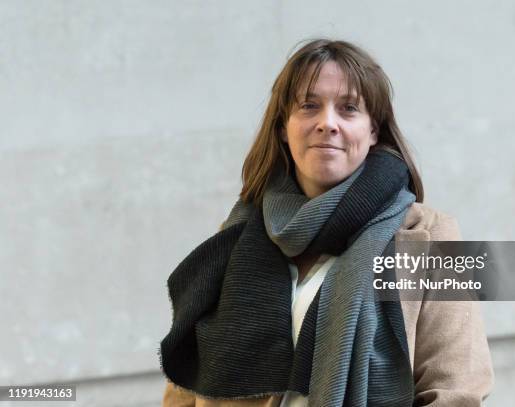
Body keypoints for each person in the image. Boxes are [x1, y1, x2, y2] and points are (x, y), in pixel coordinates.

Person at [160, 39, 494, 407]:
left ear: (373, 131)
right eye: (309, 106)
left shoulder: (430, 237)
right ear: (284, 128)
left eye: (349, 109)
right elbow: (190, 380)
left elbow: (455, 391)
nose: (327, 123)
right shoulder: (240, 234)